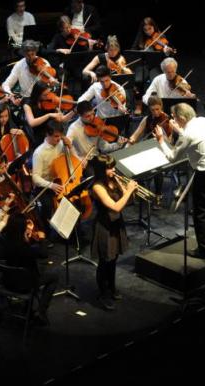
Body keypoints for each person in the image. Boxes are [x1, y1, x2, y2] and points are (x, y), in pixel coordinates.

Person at [153, 103, 205, 258]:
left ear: (181, 118)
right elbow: (193, 136)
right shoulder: (204, 121)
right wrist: (179, 130)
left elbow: (173, 157)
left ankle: (204, 250)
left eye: (174, 117)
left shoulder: (187, 134)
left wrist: (161, 140)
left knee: (200, 212)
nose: (172, 120)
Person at [89, 155, 136, 310]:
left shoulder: (115, 180)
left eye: (113, 167)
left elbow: (128, 201)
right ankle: (103, 294)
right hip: (104, 226)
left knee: (114, 258)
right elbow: (115, 206)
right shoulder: (97, 186)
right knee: (105, 261)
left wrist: (128, 190)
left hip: (116, 223)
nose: (113, 170)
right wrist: (128, 190)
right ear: (101, 170)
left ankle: (112, 288)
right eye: (110, 168)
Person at [0, 213, 56, 325]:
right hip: (23, 284)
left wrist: (26, 236)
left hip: (6, 281)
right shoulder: (23, 248)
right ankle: (41, 311)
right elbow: (44, 254)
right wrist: (42, 239)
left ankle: (28, 309)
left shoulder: (4, 239)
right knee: (54, 277)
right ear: (22, 229)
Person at [78, 65, 130, 132]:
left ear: (110, 78)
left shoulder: (119, 89)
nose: (105, 84)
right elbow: (81, 100)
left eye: (107, 80)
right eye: (102, 81)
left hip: (116, 120)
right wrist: (88, 108)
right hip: (100, 120)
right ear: (98, 79)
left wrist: (122, 110)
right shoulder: (95, 86)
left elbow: (123, 111)